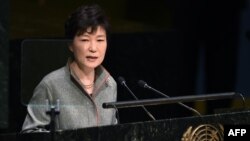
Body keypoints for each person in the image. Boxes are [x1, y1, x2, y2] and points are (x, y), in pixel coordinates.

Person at [21, 4, 117, 133]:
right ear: (70, 44)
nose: (93, 48)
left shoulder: (110, 84)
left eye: (100, 40)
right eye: (85, 40)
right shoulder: (51, 85)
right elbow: (29, 134)